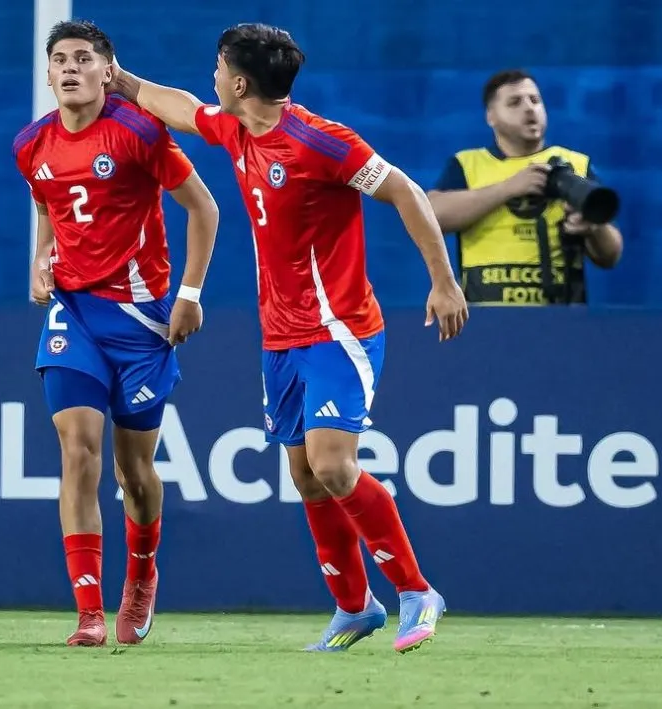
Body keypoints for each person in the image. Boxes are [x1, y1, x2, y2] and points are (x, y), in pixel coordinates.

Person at [109, 23, 467, 654]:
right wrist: (123, 81)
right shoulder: (237, 127)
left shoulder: (322, 143)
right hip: (280, 336)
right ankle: (354, 607)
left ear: (240, 81)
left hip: (340, 328)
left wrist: (443, 282)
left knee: (333, 463)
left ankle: (416, 591)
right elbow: (184, 110)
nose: (212, 77)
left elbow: (406, 192)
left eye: (219, 67)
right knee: (305, 475)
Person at [12, 20, 219, 647]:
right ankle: (89, 613)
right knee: (78, 452)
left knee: (134, 472)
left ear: (108, 70)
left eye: (83, 58)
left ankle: (142, 574)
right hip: (73, 312)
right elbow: (47, 201)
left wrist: (189, 295)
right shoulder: (30, 144)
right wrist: (41, 257)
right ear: (48, 76)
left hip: (141, 320)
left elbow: (203, 208)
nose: (70, 67)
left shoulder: (137, 131)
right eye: (59, 60)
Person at [427, 69, 623, 305]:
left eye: (535, 100)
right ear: (491, 116)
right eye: (514, 102)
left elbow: (611, 256)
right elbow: (430, 216)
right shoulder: (468, 164)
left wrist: (592, 228)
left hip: (563, 320)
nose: (529, 108)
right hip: (486, 321)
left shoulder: (576, 165)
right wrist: (508, 188)